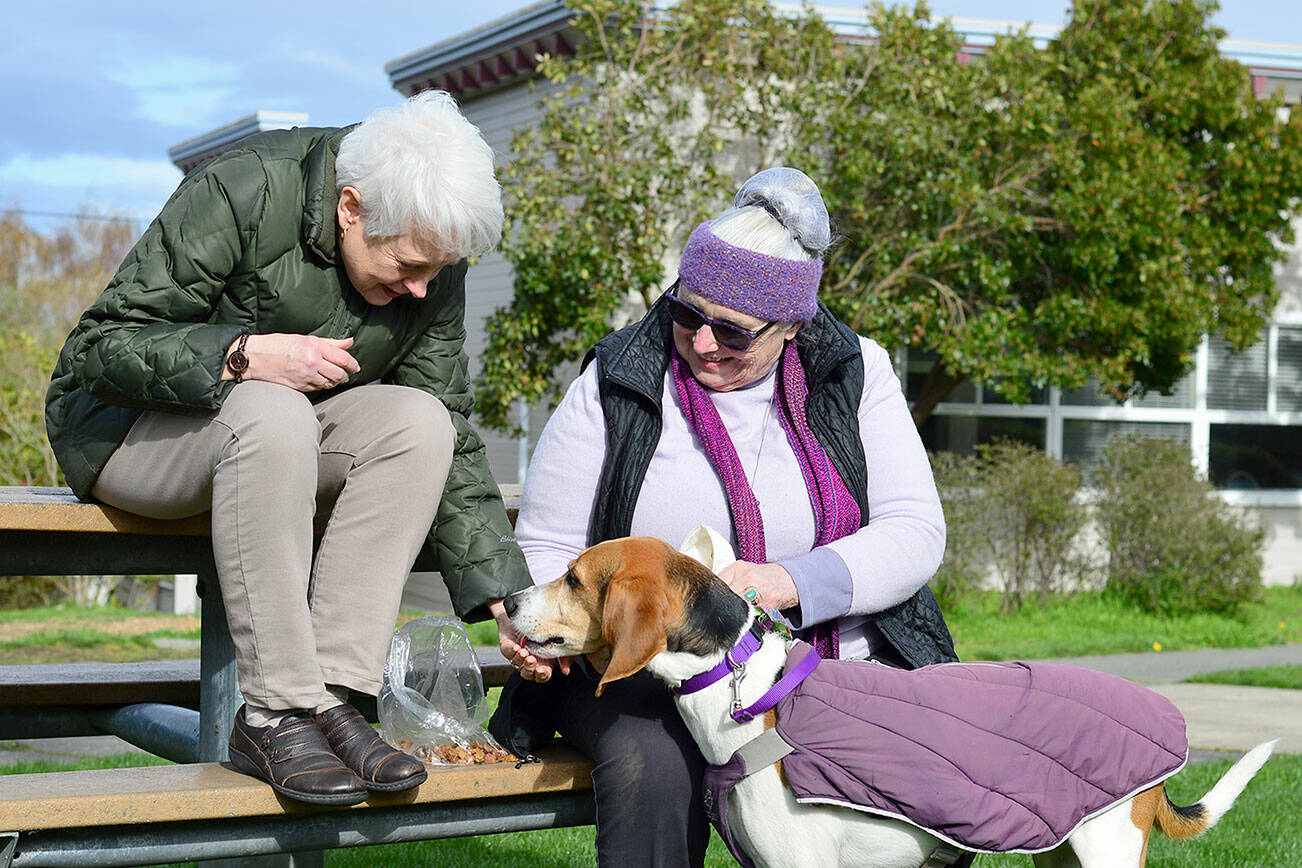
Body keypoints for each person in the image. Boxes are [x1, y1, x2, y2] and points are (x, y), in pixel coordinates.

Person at [45, 91, 533, 807]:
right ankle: (272, 711)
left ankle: (331, 702)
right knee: (273, 412)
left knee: (419, 422)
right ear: (350, 208)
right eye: (408, 266)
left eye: (439, 268)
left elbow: (450, 422)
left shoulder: (431, 248)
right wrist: (244, 355)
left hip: (285, 441)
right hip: (127, 432)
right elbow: (99, 349)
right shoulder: (241, 188)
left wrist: (497, 588)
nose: (423, 286)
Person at [489, 167, 959, 867]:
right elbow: (547, 541)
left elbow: (915, 531)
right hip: (644, 662)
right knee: (656, 761)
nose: (704, 343)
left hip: (831, 664)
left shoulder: (861, 373)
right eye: (687, 313)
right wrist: (533, 622)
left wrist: (791, 582)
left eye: (734, 333)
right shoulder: (619, 379)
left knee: (907, 754)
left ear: (794, 327)